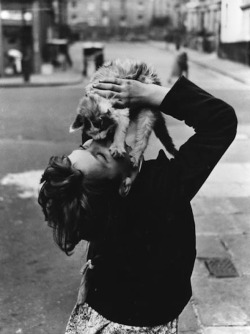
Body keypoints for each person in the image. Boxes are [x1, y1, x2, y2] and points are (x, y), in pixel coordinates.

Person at [38, 75, 237, 334]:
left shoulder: (97, 204)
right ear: (125, 184)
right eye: (98, 153)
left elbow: (96, 146)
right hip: (147, 320)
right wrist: (150, 93)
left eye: (83, 146)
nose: (96, 140)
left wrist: (102, 101)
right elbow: (221, 121)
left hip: (101, 310)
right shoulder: (164, 190)